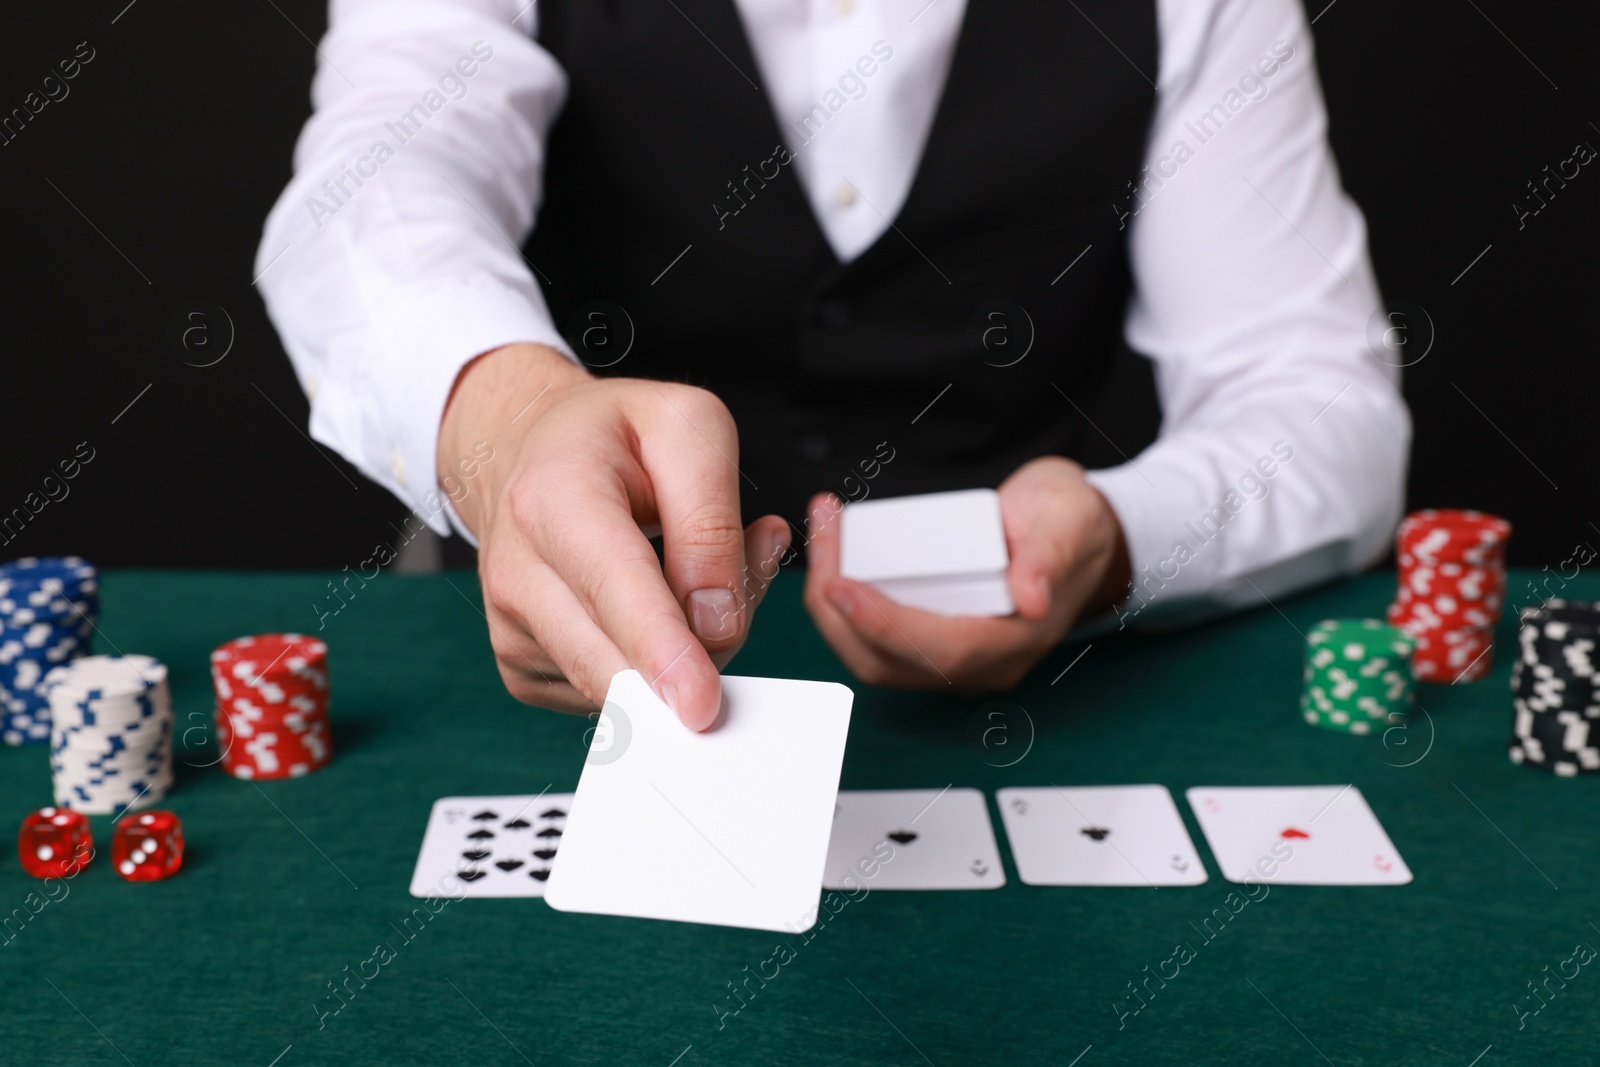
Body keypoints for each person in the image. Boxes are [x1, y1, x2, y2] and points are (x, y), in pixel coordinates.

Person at [257, 0, 1410, 731]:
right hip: (541, 704)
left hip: (1053, 706)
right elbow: (372, 191)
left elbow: (1319, 403)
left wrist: (1114, 535)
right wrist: (509, 425)